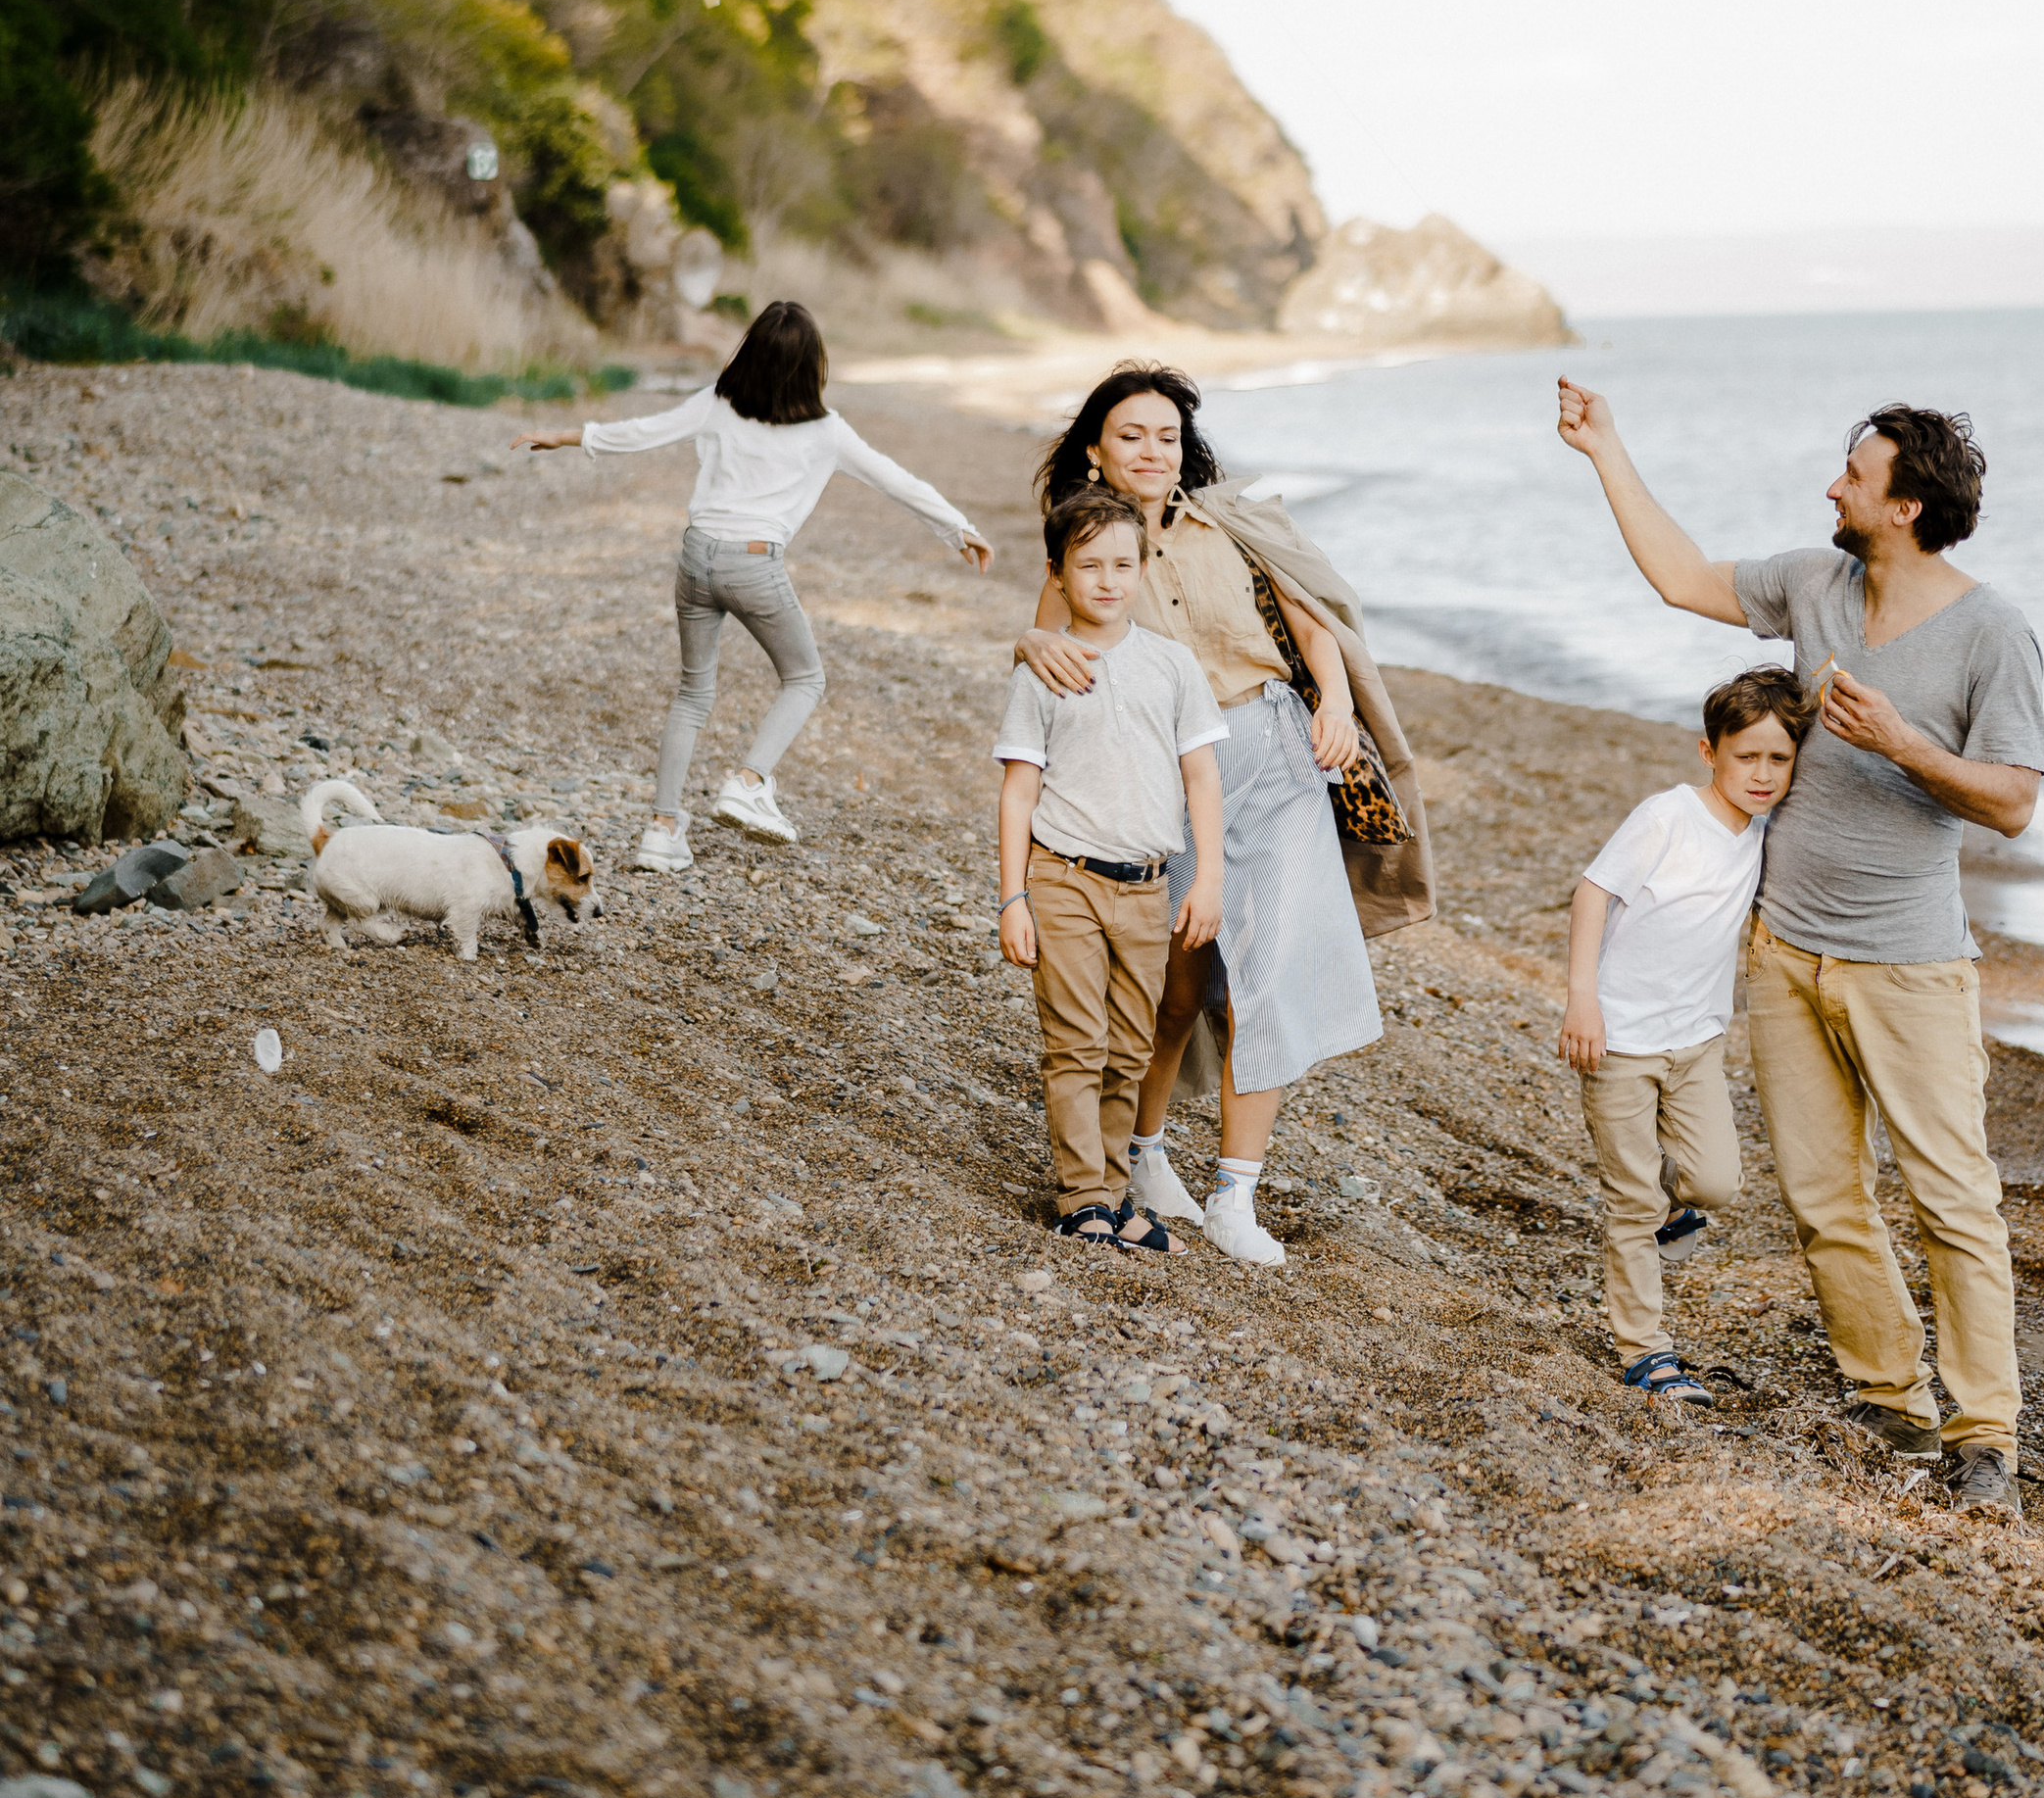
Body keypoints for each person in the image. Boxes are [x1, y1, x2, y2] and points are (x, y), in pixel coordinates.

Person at [1556, 384, 2044, 1514]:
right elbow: (1681, 578)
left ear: (1907, 506)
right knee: (1825, 1198)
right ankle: (1888, 1399)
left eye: (1854, 475)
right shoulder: (1813, 584)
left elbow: (2013, 804)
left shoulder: (1991, 631)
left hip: (1910, 963)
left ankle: (1982, 1437)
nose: (1833, 485)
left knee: (1951, 1202)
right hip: (1785, 956)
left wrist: (1904, 745)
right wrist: (1606, 449)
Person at [1010, 364, 1432, 1271]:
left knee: (1265, 981)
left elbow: (1310, 618)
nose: (1153, 451)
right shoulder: (1087, 544)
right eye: (1132, 435)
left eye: (1167, 435)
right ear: (1097, 449)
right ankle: (1149, 1154)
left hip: (1274, 754)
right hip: (1165, 774)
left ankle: (1237, 1193)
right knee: (1174, 987)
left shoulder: (1231, 524)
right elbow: (1050, 643)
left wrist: (1333, 702)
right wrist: (1029, 637)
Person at [518, 298, 992, 866]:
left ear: (749, 353)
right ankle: (748, 781)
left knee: (693, 694)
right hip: (753, 564)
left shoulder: (717, 405)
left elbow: (642, 431)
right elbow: (896, 480)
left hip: (696, 559)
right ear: (812, 366)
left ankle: (662, 831)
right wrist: (958, 528)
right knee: (805, 679)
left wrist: (565, 436)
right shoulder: (826, 431)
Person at [1559, 667, 1814, 1400]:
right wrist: (1582, 1001)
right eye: (1747, 758)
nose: (1762, 775)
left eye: (1779, 760)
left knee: (1717, 1182)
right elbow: (1592, 893)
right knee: (1630, 1201)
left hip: (1697, 1041)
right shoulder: (1668, 815)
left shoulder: (1767, 831)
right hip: (1618, 1042)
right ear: (1710, 754)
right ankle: (1648, 1352)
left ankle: (1674, 1208)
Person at [995, 482, 1227, 1254]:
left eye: (1122, 564)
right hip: (1063, 879)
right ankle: (1081, 1195)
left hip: (1148, 887)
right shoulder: (1046, 669)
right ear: (1057, 573)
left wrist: (1210, 879)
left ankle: (1117, 1192)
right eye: (1088, 565)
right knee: (1075, 1042)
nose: (1107, 580)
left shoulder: (1173, 666)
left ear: (1143, 568)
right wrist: (1012, 896)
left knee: (1130, 1047)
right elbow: (1019, 788)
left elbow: (1201, 778)